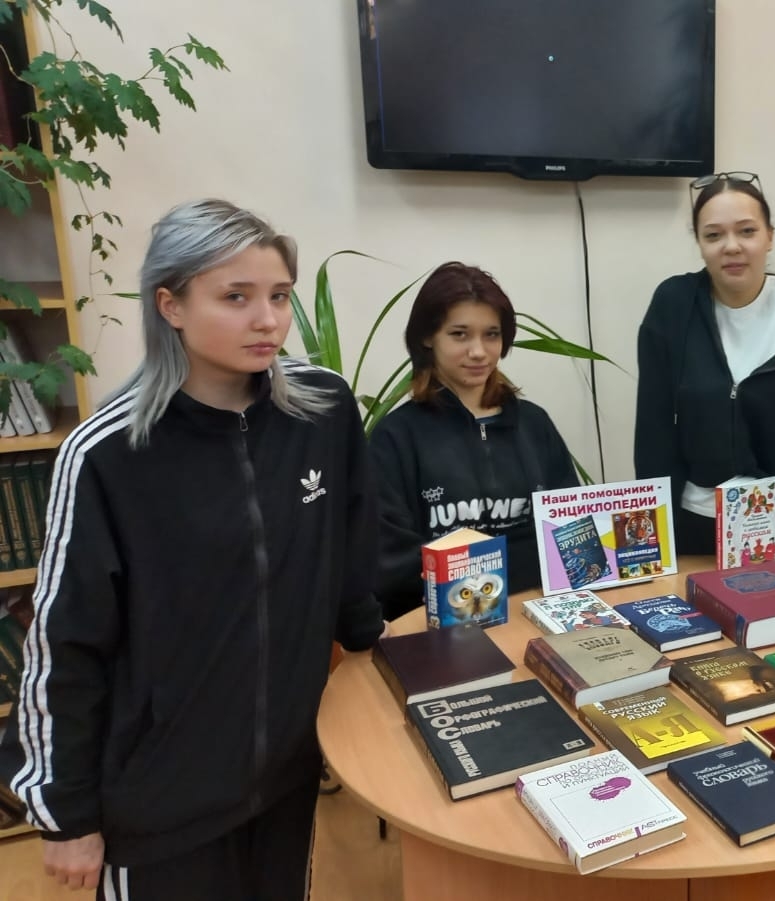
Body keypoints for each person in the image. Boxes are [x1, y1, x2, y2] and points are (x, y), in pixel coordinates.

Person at [0, 199, 386, 899]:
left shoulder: (323, 411)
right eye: (235, 297)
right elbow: (65, 644)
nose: (268, 320)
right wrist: (66, 814)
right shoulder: (107, 454)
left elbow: (350, 554)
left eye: (279, 296)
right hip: (160, 800)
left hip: (287, 777)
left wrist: (373, 649)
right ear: (171, 305)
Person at [634, 171, 775, 572]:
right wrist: (655, 534)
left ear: (770, 237)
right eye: (713, 235)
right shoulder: (673, 303)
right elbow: (654, 431)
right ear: (699, 243)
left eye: (747, 231)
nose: (732, 247)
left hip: (772, 523)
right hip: (691, 522)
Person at [371, 262, 580, 619]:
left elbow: (569, 531)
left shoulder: (533, 423)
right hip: (437, 622)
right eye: (460, 334)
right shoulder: (395, 437)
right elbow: (392, 562)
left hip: (536, 612)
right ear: (427, 338)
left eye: (491, 335)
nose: (479, 351)